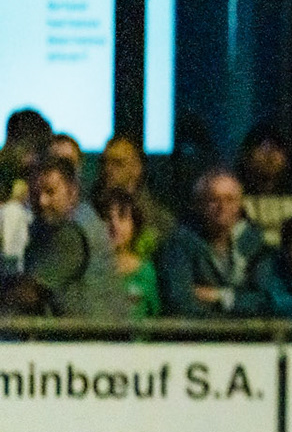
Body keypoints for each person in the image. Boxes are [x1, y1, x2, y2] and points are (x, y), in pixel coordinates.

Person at [1, 156, 126, 319]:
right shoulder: (65, 221)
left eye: (50, 191)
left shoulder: (71, 234)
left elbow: (28, 293)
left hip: (92, 339)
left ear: (72, 191)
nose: (42, 201)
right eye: (35, 193)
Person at [155, 170, 268, 317]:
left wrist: (220, 296)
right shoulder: (178, 245)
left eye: (230, 199)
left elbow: (265, 301)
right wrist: (234, 312)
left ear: (240, 204)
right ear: (198, 205)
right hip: (199, 337)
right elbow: (179, 302)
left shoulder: (255, 244)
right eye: (213, 200)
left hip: (248, 337)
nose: (222, 207)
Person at [95, 134, 174, 258]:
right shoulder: (91, 210)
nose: (108, 169)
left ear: (137, 168)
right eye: (104, 162)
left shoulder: (158, 221)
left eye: (118, 163)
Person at [98, 187, 161, 318]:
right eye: (107, 218)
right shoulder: (90, 268)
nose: (114, 225)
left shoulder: (146, 271)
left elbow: (154, 317)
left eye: (122, 217)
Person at [237, 122, 292, 247]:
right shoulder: (234, 196)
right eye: (262, 148)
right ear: (248, 155)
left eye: (277, 149)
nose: (270, 155)